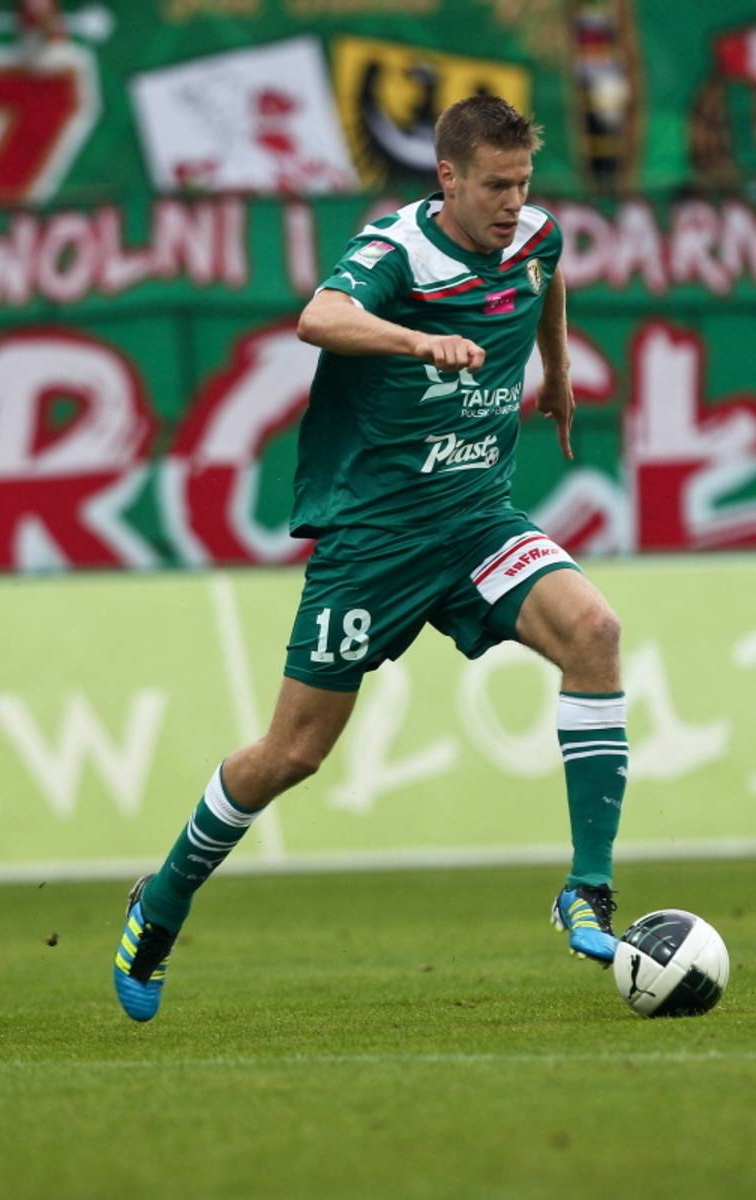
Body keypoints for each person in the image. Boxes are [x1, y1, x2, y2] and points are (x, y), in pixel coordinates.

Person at [112, 96, 628, 1022]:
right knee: (293, 753)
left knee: (594, 631)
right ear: (448, 178)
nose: (514, 203)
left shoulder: (534, 234)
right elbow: (320, 317)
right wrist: (417, 337)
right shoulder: (397, 250)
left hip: (476, 520)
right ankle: (164, 899)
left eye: (522, 183)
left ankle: (587, 889)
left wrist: (552, 375)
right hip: (374, 541)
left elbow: (547, 274)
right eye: (496, 186)